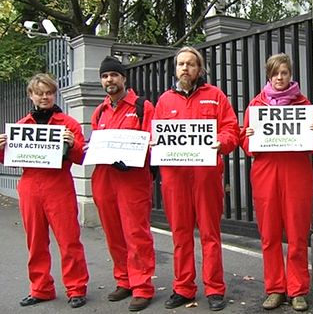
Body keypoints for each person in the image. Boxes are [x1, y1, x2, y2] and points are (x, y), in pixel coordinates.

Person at [154, 46, 239, 311]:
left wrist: (221, 142)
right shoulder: (164, 100)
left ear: (199, 69)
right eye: (181, 64)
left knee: (210, 234)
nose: (185, 69)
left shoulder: (215, 96)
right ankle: (183, 287)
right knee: (180, 234)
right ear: (175, 68)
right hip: (175, 179)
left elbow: (231, 130)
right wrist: (153, 142)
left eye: (191, 64)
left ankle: (214, 289)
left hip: (207, 177)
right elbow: (154, 136)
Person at [240, 53, 313, 312]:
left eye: (284, 73)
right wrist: (249, 136)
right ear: (269, 75)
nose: (279, 77)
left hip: (296, 174)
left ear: (290, 75)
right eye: (275, 73)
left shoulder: (304, 104)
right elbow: (245, 143)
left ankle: (297, 290)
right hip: (266, 174)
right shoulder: (255, 105)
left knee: (298, 234)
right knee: (270, 234)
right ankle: (275, 288)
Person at [0, 74, 89, 308]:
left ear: (54, 94)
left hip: (58, 185)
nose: (44, 96)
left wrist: (72, 144)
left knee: (69, 240)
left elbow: (81, 157)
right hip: (30, 186)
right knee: (35, 241)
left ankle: (76, 288)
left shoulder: (68, 124)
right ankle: (40, 288)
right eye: (39, 92)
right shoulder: (21, 126)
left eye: (48, 92)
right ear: (31, 96)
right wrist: (1, 148)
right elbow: (8, 158)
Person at [89, 56, 156, 312]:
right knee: (114, 232)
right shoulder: (100, 111)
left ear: (123, 78)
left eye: (114, 75)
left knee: (136, 233)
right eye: (105, 76)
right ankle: (124, 280)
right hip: (105, 179)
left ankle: (142, 286)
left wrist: (137, 156)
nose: (110, 80)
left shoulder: (142, 106)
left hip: (133, 180)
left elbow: (152, 141)